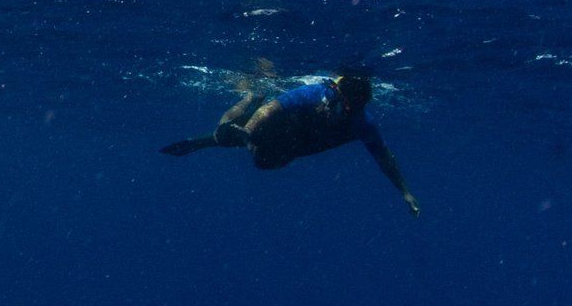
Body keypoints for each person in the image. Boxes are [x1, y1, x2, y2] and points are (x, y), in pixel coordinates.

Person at [160, 73, 420, 215]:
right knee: (226, 133)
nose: (346, 114)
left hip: (298, 142)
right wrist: (247, 132)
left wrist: (405, 192)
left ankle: (239, 136)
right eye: (346, 107)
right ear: (337, 95)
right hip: (280, 126)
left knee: (263, 160)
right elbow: (271, 109)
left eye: (354, 110)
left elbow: (384, 157)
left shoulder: (362, 122)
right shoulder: (315, 93)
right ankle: (251, 94)